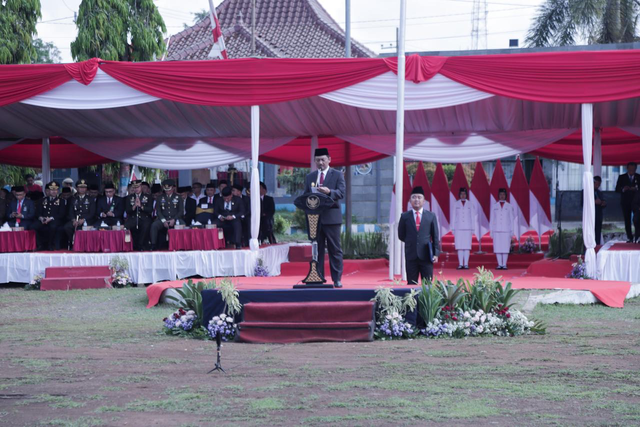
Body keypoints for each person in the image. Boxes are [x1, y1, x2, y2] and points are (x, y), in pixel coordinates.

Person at [303, 148, 346, 288]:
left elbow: (341, 193)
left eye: (323, 160)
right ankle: (318, 276)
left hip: (332, 218)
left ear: (329, 160)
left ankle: (337, 279)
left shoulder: (338, 174)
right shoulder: (310, 177)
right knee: (317, 249)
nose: (320, 163)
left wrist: (329, 192)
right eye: (318, 160)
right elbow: (305, 196)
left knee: (335, 249)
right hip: (315, 219)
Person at [398, 186, 440, 284]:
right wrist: (412, 241)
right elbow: (401, 235)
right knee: (411, 284)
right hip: (411, 254)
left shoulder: (431, 216)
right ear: (410, 201)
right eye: (414, 197)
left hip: (426, 255)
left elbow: (435, 236)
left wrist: (436, 253)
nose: (416, 200)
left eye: (419, 197)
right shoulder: (404, 216)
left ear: (424, 201)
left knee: (428, 284)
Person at [150, 179, 184, 250]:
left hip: (175, 219)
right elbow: (158, 211)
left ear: (173, 188)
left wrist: (174, 220)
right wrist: (163, 221)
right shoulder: (160, 198)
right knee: (154, 225)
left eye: (169, 189)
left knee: (183, 224)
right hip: (163, 219)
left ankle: (182, 245)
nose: (167, 191)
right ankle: (153, 245)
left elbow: (181, 211)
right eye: (166, 189)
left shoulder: (178, 197)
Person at [33, 181, 67, 250]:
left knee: (53, 226)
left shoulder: (61, 201)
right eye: (52, 189)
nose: (54, 191)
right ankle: (39, 245)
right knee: (33, 226)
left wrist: (51, 218)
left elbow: (61, 214)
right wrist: (41, 218)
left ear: (58, 191)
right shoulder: (42, 200)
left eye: (56, 190)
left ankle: (50, 244)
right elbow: (38, 213)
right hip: (43, 220)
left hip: (55, 220)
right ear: (48, 190)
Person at [63, 179, 97, 248]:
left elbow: (92, 213)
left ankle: (86, 245)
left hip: (87, 220)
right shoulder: (73, 199)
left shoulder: (90, 199)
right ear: (76, 188)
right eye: (80, 187)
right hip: (75, 220)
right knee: (67, 227)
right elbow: (70, 211)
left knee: (87, 228)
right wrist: (73, 220)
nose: (82, 189)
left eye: (84, 187)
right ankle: (73, 242)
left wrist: (83, 220)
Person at [124, 180, 153, 251]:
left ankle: (141, 245)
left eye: (137, 187)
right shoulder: (129, 197)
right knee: (126, 227)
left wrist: (141, 206)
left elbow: (150, 210)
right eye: (134, 187)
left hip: (144, 218)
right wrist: (134, 207)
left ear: (141, 187)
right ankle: (127, 246)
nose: (136, 189)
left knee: (145, 226)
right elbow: (127, 211)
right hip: (133, 218)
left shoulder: (148, 197)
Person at [615, 162, 640, 242]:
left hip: (636, 202)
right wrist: (623, 189)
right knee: (627, 220)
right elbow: (617, 189)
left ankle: (638, 237)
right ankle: (630, 237)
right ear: (627, 168)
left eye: (633, 169)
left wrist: (636, 189)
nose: (632, 170)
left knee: (637, 220)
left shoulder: (638, 177)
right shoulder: (622, 177)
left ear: (636, 169)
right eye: (630, 169)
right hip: (625, 202)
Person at [490, 188, 514, 270]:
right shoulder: (494, 206)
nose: (502, 196)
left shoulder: (509, 206)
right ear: (498, 195)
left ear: (506, 196)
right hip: (496, 229)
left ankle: (504, 264)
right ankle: (499, 264)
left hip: (506, 230)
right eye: (500, 194)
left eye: (503, 194)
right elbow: (492, 219)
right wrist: (491, 231)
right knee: (498, 248)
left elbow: (511, 219)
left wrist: (512, 230)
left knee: (505, 248)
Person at [451, 187, 475, 269]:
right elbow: (453, 216)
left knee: (467, 246)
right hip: (458, 227)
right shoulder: (456, 204)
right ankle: (461, 264)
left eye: (464, 194)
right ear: (459, 195)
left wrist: (473, 228)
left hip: (468, 227)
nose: (463, 195)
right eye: (461, 194)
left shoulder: (470, 204)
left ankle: (466, 264)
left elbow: (472, 217)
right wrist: (453, 228)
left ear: (466, 195)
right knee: (460, 246)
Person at [594, 176, 607, 245]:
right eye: (596, 184)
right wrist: (594, 201)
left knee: (598, 232)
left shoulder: (599, 192)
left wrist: (603, 203)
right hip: (591, 216)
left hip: (598, 215)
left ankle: (598, 245)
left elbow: (603, 200)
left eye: (599, 185)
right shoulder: (586, 191)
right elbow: (583, 203)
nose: (597, 186)